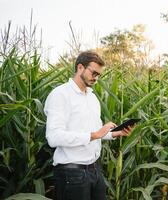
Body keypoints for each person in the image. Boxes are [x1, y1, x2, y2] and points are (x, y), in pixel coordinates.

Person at [44, 51, 132, 200]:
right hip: (72, 174)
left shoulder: (92, 97)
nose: (96, 78)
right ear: (80, 67)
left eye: (99, 75)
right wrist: (95, 135)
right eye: (94, 73)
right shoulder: (60, 95)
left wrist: (114, 133)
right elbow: (53, 137)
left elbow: (96, 132)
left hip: (95, 171)